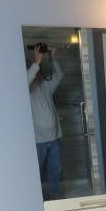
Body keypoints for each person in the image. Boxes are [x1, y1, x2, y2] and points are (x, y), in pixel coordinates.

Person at [27, 45, 64, 200]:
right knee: (36, 173)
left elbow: (60, 76)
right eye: (33, 70)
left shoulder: (45, 85)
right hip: (38, 140)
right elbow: (26, 80)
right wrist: (36, 62)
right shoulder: (23, 89)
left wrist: (53, 58)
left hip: (54, 137)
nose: (36, 73)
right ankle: (38, 201)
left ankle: (55, 197)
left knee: (55, 170)